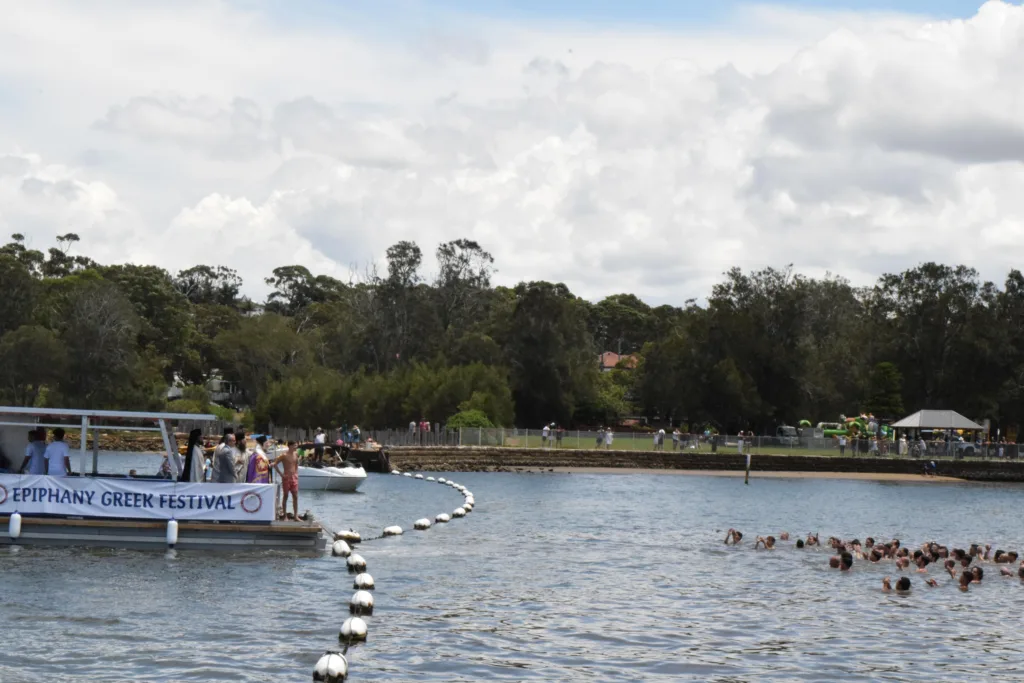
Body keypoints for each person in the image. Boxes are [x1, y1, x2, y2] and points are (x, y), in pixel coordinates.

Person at [273, 441, 300, 520]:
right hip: (286, 477)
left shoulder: (296, 454)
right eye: (295, 445)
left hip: (294, 477)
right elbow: (275, 464)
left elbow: (296, 464)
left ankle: (296, 516)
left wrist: (296, 474)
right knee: (286, 496)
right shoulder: (284, 455)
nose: (296, 447)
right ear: (290, 446)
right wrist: (281, 475)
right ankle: (285, 515)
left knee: (295, 496)